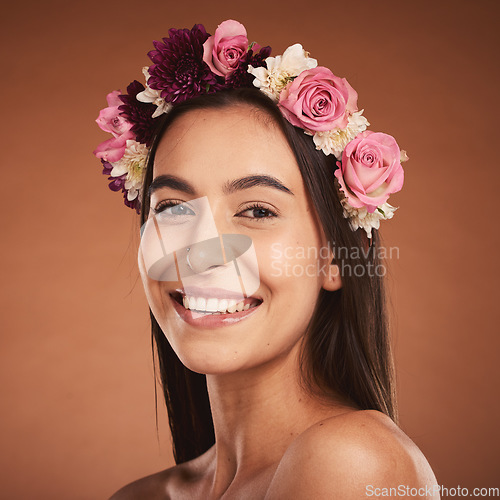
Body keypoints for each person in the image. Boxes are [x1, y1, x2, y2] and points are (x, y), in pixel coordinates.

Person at [94, 20, 440, 499]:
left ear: (337, 258)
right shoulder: (140, 496)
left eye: (257, 210)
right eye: (173, 208)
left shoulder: (352, 462)